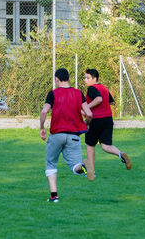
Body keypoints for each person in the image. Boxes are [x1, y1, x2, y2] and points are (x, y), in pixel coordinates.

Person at [40, 68, 93, 203]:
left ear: (57, 79)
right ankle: (83, 167)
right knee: (75, 166)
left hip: (57, 134)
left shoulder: (53, 93)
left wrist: (42, 127)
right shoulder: (78, 93)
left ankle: (54, 196)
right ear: (68, 78)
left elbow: (44, 111)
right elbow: (90, 114)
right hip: (74, 135)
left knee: (51, 163)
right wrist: (87, 124)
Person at [84, 68, 132, 179]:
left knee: (90, 145)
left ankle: (92, 172)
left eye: (88, 78)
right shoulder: (104, 88)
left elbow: (99, 99)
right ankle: (121, 154)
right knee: (106, 145)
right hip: (107, 119)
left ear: (94, 79)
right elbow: (110, 101)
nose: (85, 80)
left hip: (95, 120)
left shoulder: (92, 88)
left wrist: (87, 107)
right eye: (85, 78)